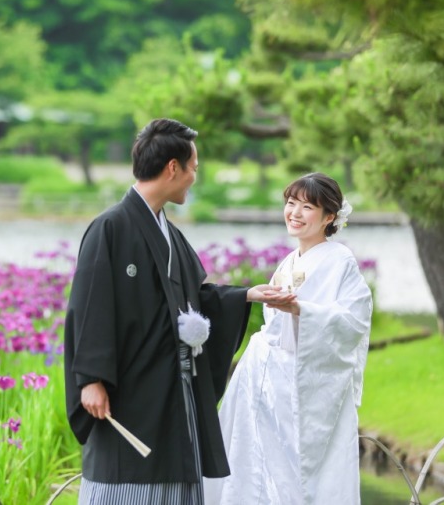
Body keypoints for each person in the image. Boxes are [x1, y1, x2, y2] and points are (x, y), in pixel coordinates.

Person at [64, 118, 291, 504]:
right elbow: (89, 306)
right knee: (125, 481)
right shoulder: (110, 228)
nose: (194, 178)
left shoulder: (169, 232)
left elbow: (192, 300)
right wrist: (90, 379)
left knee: (175, 478)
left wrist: (246, 295)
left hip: (172, 385)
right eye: (194, 169)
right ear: (173, 167)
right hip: (131, 387)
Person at [203, 172, 373, 505]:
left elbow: (352, 322)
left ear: (329, 217)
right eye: (291, 203)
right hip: (266, 378)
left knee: (296, 471)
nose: (294, 213)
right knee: (252, 461)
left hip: (304, 384)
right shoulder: (288, 261)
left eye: (307, 206)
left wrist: (302, 310)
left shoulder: (341, 262)